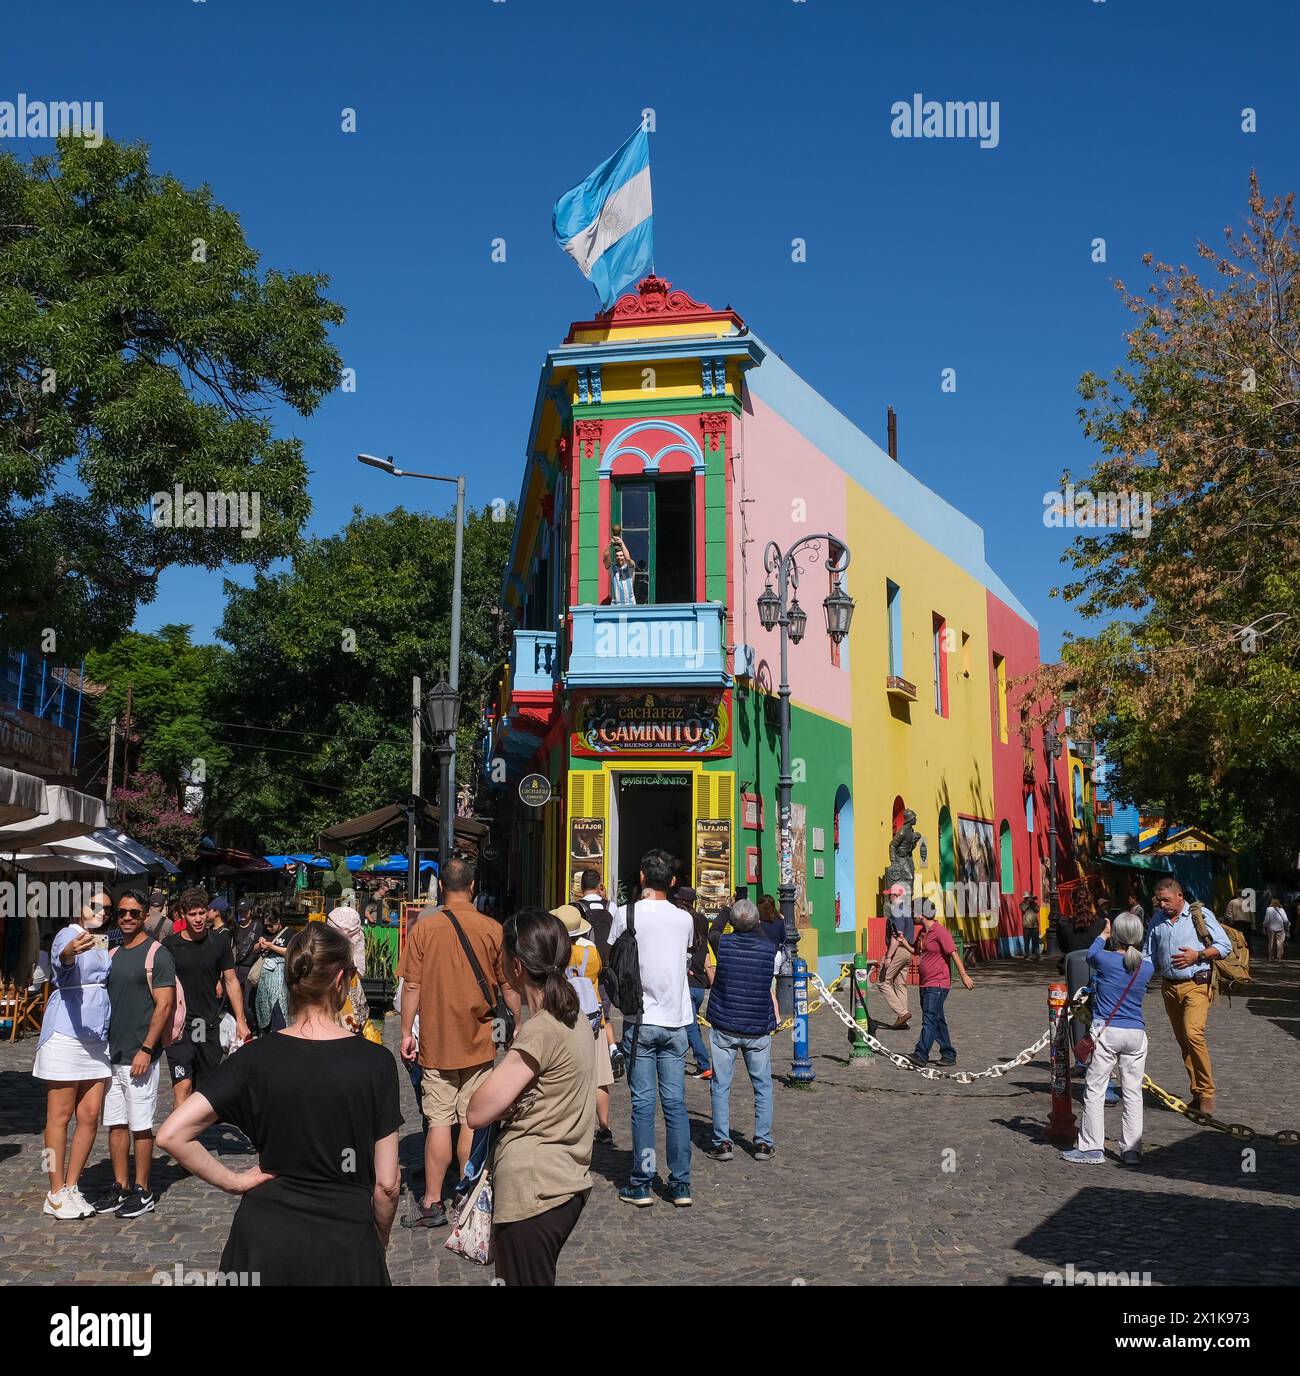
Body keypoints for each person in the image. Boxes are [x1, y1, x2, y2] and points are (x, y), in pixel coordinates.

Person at [157, 923, 403, 1285]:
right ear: (339, 980)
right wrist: (378, 1239)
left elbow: (171, 1134)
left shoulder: (255, 1058)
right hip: (345, 1242)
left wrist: (234, 1182)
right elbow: (387, 1184)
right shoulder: (376, 1063)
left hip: (264, 1240)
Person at [466, 909, 595, 1286]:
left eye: (503, 956)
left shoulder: (541, 1031)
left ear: (517, 966)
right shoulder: (574, 1017)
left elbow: (477, 1110)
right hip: (564, 1179)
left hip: (535, 1189)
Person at [399, 857, 509, 1228]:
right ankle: (467, 1195)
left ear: (442, 887)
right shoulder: (492, 928)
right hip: (479, 1042)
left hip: (437, 1042)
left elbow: (411, 985)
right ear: (473, 886)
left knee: (439, 1120)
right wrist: (518, 1028)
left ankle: (432, 1202)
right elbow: (506, 985)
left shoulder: (423, 930)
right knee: (471, 1122)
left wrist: (404, 1033)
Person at [611, 847, 694, 1209]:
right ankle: (680, 1184)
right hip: (676, 1022)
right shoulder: (685, 919)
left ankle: (642, 1182)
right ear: (673, 881)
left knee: (643, 1105)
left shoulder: (625, 913)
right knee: (675, 1105)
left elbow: (612, 956)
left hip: (640, 1022)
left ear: (642, 878)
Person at [93, 888, 177, 1218]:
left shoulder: (158, 954)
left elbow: (165, 1005)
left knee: (140, 1126)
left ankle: (143, 1190)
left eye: (134, 912)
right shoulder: (112, 953)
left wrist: (147, 1048)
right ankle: (121, 1185)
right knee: (115, 1124)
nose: (127, 917)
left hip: (140, 1056)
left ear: (145, 916)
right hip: (111, 1055)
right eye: (122, 912)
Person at [33, 901, 113, 1219]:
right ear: (77, 907)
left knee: (91, 1115)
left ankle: (72, 1186)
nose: (102, 911)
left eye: (106, 907)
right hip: (67, 1034)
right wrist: (69, 952)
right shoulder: (69, 933)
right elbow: (63, 960)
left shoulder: (102, 939)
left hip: (98, 1037)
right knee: (60, 1116)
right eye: (94, 905)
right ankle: (53, 1191)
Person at [1062, 913, 1154, 1166]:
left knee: (1095, 1089)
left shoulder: (1104, 959)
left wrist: (1104, 934)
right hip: (1136, 1033)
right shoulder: (1146, 967)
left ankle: (1092, 1147)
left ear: (1116, 935)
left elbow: (1090, 954)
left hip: (1107, 1031)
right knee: (1133, 1093)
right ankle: (1132, 1150)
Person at [1144, 876, 1231, 1114]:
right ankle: (1197, 1091)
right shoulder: (1157, 920)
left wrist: (1199, 955)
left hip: (1197, 984)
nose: (1162, 904)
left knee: (1194, 1034)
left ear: (1179, 896)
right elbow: (1148, 956)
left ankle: (1207, 1094)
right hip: (1169, 988)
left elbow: (1224, 946)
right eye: (1159, 900)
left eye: (1166, 900)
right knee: (1184, 1041)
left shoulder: (1199, 915)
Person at [702, 899, 779, 1162]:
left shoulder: (723, 944)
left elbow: (713, 929)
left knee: (721, 1085)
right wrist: (752, 921)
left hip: (725, 1022)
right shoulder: (770, 950)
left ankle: (722, 1141)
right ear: (758, 922)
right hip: (757, 1025)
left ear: (733, 924)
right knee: (763, 1086)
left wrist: (726, 909)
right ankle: (763, 1142)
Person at [163, 887, 249, 1107]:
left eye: (202, 912)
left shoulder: (218, 942)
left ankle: (194, 1134)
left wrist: (241, 1019)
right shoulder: (170, 945)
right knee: (182, 1085)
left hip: (205, 1024)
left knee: (203, 1088)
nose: (199, 919)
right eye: (193, 914)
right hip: (179, 1026)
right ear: (183, 914)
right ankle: (179, 1138)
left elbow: (231, 981)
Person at [554, 904, 616, 1143]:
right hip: (593, 1016)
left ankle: (569, 1124)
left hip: (565, 1015)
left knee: (566, 1074)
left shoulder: (556, 952)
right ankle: (604, 1126)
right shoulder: (591, 950)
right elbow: (597, 972)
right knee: (600, 1077)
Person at [573, 869, 624, 1091]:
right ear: (600, 885)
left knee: (582, 1011)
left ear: (580, 886)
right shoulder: (611, 907)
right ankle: (612, 1049)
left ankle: (586, 1052)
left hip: (582, 969)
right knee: (603, 1011)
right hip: (607, 968)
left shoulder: (575, 908)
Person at [905, 904, 974, 1067]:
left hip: (938, 983)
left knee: (929, 1018)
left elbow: (953, 953)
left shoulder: (940, 931)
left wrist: (964, 975)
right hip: (925, 984)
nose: (912, 914)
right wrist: (902, 941)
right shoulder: (922, 932)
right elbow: (915, 951)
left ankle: (920, 1054)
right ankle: (948, 1054)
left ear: (922, 914)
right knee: (937, 1019)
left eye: (915, 911)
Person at [1055, 890, 1109, 1052]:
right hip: (1098, 974)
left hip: (1074, 975)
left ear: (1072, 903)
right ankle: (1101, 1054)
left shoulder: (1064, 925)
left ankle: (1081, 1056)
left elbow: (1064, 948)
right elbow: (1108, 947)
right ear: (1091, 903)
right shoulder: (1101, 924)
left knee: (1078, 1017)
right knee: (1099, 1015)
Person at [674, 886, 713, 1081]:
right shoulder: (703, 922)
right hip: (699, 982)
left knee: (689, 1025)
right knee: (693, 1024)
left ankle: (704, 1063)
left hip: (686, 982)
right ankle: (686, 1059)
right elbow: (705, 957)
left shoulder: (680, 922)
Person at [326, 905, 369, 1032]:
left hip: (332, 987)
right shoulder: (357, 934)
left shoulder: (326, 940)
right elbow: (360, 971)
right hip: (349, 985)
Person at [879, 893, 916, 1028]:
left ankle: (902, 1013)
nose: (888, 898)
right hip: (907, 951)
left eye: (889, 895)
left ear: (894, 895)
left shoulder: (897, 911)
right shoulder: (906, 910)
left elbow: (896, 936)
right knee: (900, 983)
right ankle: (902, 1021)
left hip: (899, 950)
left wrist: (889, 956)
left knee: (883, 981)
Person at [253, 912, 291, 1033]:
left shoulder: (288, 932)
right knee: (264, 1006)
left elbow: (289, 951)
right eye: (266, 926)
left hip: (279, 976)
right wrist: (259, 944)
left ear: (278, 921)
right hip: (264, 977)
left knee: (278, 1006)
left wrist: (271, 947)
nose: (269, 928)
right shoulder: (265, 933)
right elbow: (254, 951)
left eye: (271, 925)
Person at [228, 903, 264, 1032]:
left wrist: (259, 946)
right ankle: (237, 1029)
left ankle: (253, 1029)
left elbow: (255, 948)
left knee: (248, 1004)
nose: (242, 915)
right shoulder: (235, 927)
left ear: (250, 912)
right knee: (234, 1002)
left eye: (244, 911)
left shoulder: (257, 926)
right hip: (236, 967)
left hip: (250, 968)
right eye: (240, 912)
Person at [603, 523, 636, 606]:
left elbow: (628, 559)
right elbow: (605, 557)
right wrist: (610, 545)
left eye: (621, 555)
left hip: (630, 605)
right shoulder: (612, 568)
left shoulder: (630, 567)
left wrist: (622, 543)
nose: (619, 557)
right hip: (615, 606)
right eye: (617, 556)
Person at [1264, 895, 1291, 962]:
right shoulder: (1281, 910)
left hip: (1271, 928)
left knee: (1271, 942)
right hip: (1280, 928)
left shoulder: (1268, 909)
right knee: (1280, 943)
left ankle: (1270, 957)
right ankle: (1279, 958)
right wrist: (1287, 926)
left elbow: (1266, 920)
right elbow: (1285, 920)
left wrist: (1264, 926)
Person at [1020, 892, 1042, 960]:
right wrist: (1028, 903)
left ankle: (1037, 955)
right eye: (1029, 898)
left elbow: (1037, 910)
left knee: (1036, 942)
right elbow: (1023, 909)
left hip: (1035, 926)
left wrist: (1033, 903)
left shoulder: (1034, 904)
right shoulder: (1022, 904)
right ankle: (1027, 955)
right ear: (1026, 898)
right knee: (1026, 942)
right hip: (1026, 926)